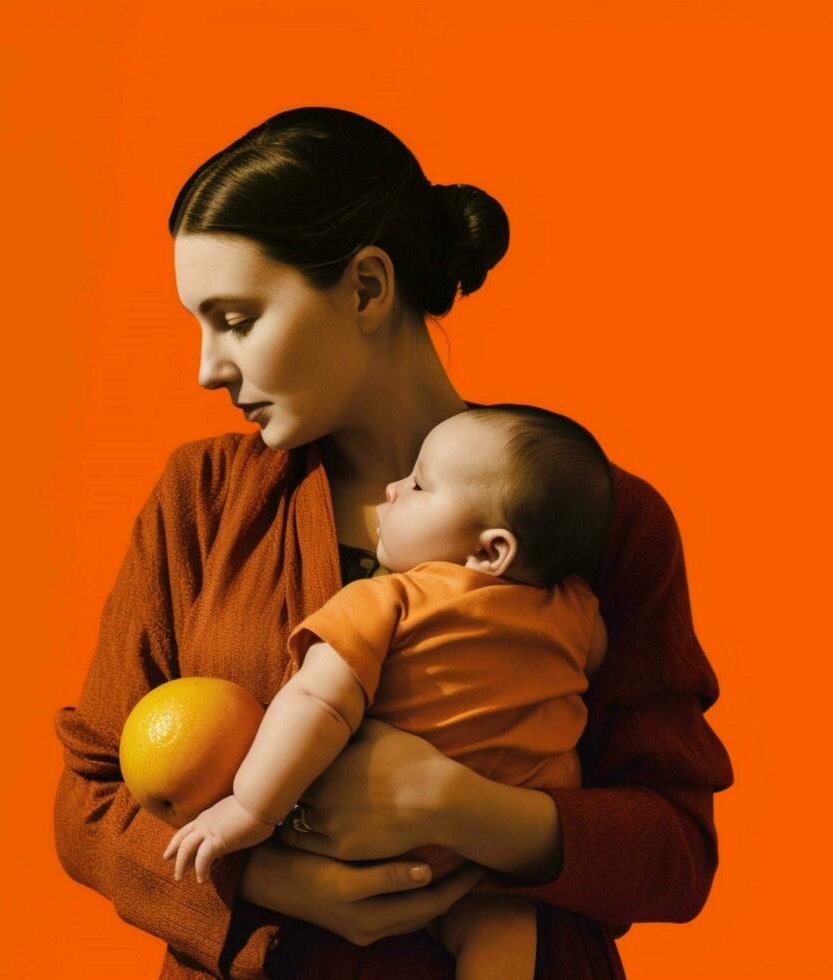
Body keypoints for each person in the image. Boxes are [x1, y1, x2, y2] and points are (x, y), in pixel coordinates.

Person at [52, 106, 734, 979]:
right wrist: (272, 879)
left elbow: (676, 849)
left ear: (369, 288)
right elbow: (89, 800)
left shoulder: (604, 517)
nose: (207, 368)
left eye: (236, 318)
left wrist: (458, 807)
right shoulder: (204, 498)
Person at [161, 406, 613, 980]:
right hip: (487, 869)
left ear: (490, 551)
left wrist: (252, 809)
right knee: (503, 927)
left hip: (376, 846)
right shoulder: (577, 609)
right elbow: (595, 660)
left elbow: (316, 703)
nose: (393, 490)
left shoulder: (388, 598)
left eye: (419, 484)